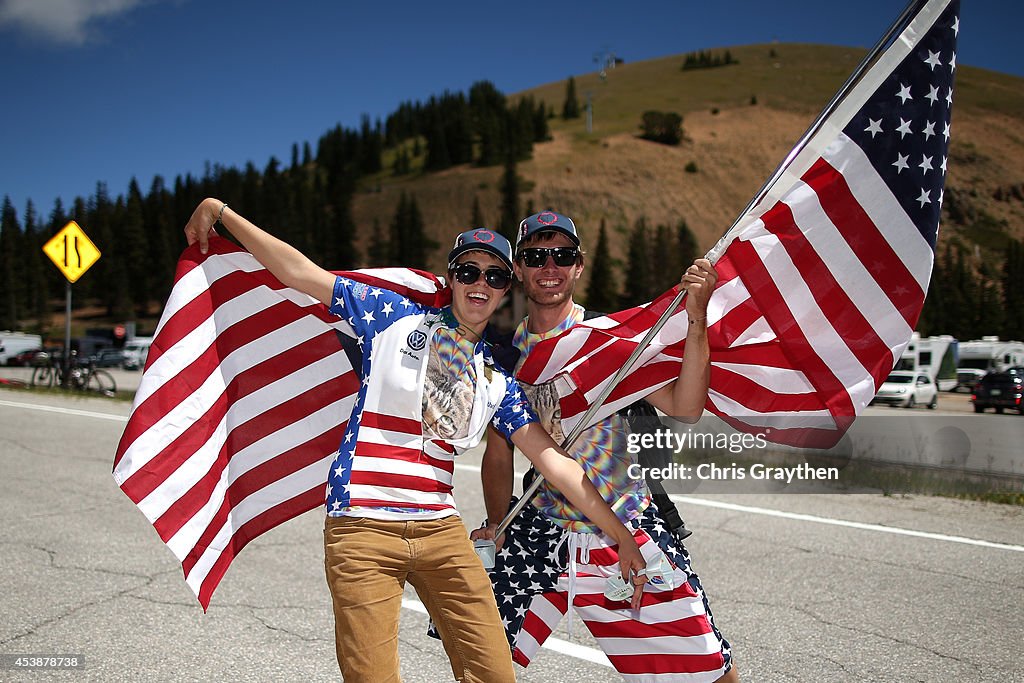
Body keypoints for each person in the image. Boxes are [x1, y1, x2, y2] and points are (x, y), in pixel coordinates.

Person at [183, 198, 648, 683]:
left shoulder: (494, 375)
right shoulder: (391, 318)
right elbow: (300, 272)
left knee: (494, 674)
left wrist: (621, 535)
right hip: (363, 526)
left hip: (439, 530)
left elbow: (555, 463)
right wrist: (224, 213)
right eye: (469, 271)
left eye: (494, 276)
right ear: (451, 279)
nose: (480, 283)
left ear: (506, 288)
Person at [471, 210, 738, 681]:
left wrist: (697, 320)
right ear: (518, 268)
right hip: (540, 526)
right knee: (480, 663)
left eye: (562, 256)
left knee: (707, 673)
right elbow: (499, 452)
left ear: (579, 265)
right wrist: (497, 523)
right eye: (535, 256)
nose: (548, 268)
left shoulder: (610, 340)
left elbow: (685, 405)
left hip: (625, 523)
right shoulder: (506, 352)